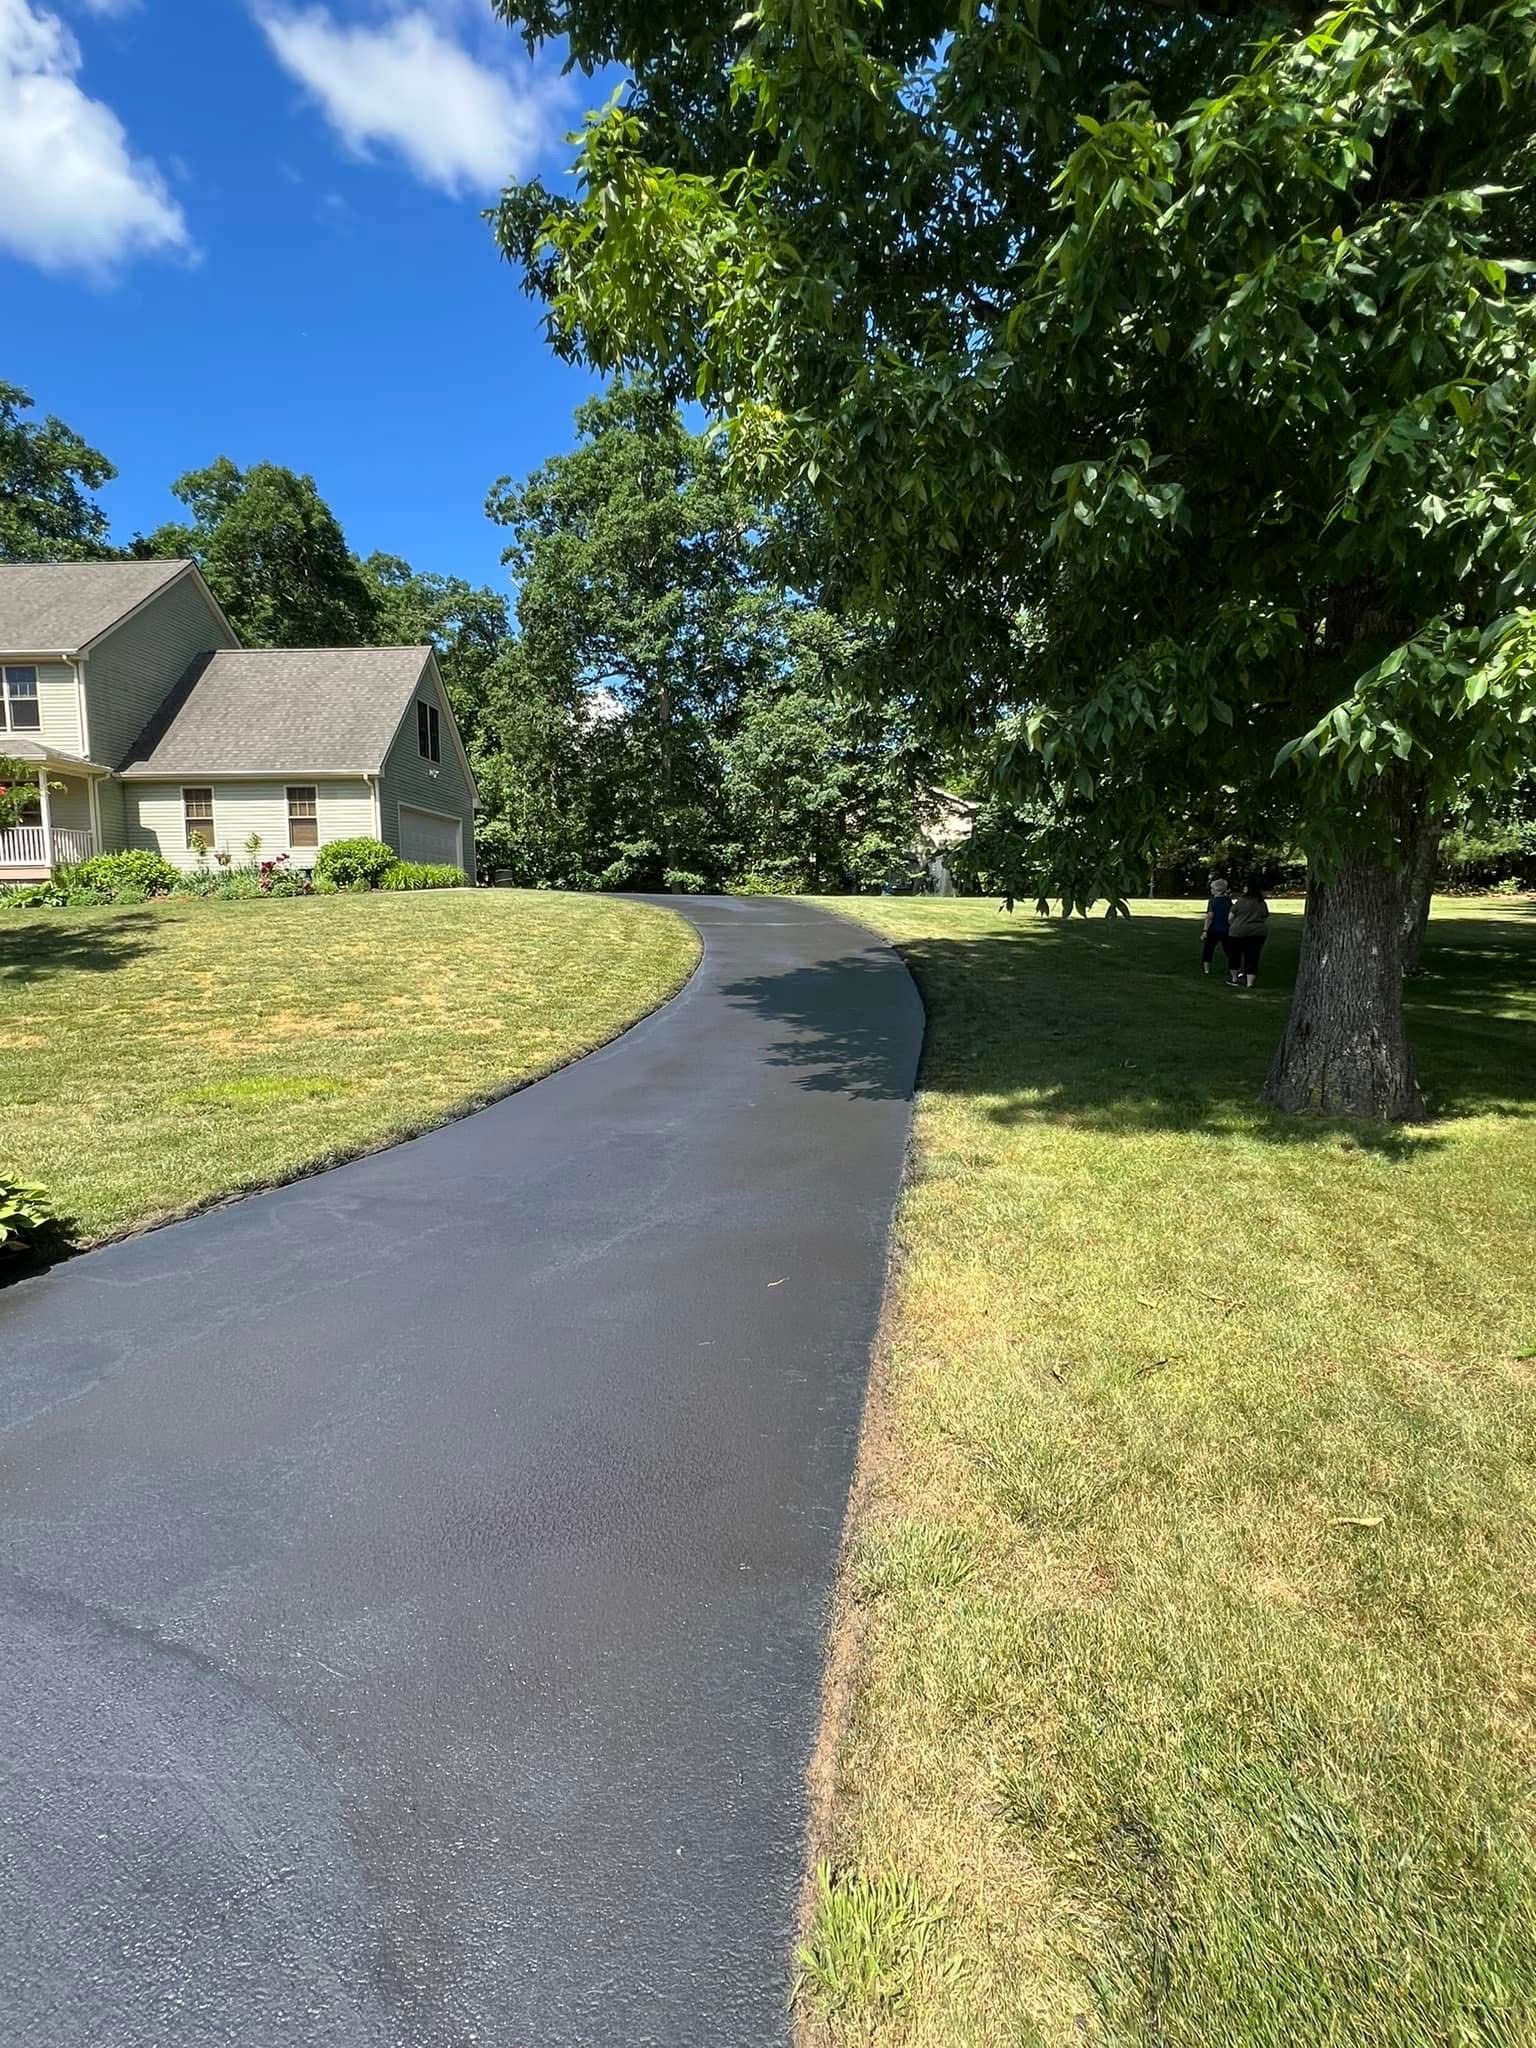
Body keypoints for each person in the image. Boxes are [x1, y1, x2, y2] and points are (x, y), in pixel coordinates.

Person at [1226, 878, 1270, 987]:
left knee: (1235, 956)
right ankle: (1250, 983)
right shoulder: (1261, 902)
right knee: (1252, 957)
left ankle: (1234, 979)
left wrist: (1234, 924)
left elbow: (1230, 917)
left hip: (1238, 932)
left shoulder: (1240, 901)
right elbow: (1265, 916)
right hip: (1258, 932)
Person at [1201, 877, 1232, 975]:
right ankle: (1235, 969)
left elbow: (1210, 917)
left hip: (1214, 929)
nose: (1211, 890)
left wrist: (1205, 930)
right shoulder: (1228, 901)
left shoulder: (1213, 901)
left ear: (1217, 890)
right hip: (1226, 929)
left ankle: (1206, 970)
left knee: (1208, 949)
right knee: (1229, 951)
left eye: (1212, 888)